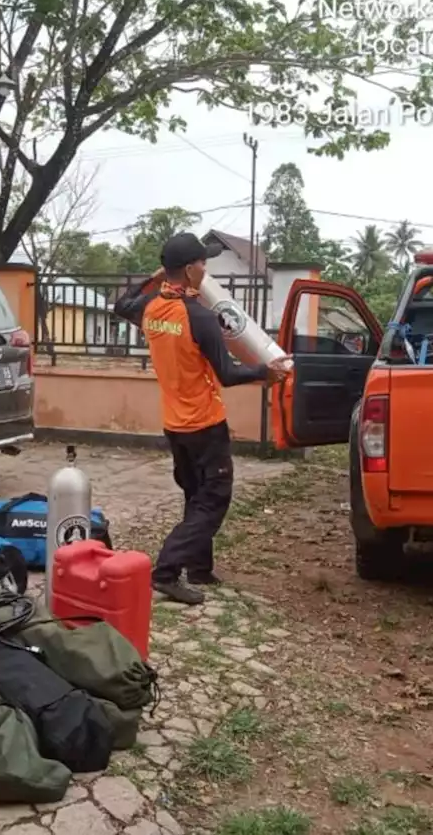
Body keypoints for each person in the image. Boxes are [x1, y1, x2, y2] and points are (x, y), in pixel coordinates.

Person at [113, 232, 291, 605]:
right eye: (203, 263)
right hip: (205, 424)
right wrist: (266, 372)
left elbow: (121, 303)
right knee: (213, 498)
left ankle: (198, 567)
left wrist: (158, 273)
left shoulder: (150, 308)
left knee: (195, 494)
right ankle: (166, 571)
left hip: (175, 424)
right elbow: (227, 373)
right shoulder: (199, 317)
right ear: (191, 270)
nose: (206, 270)